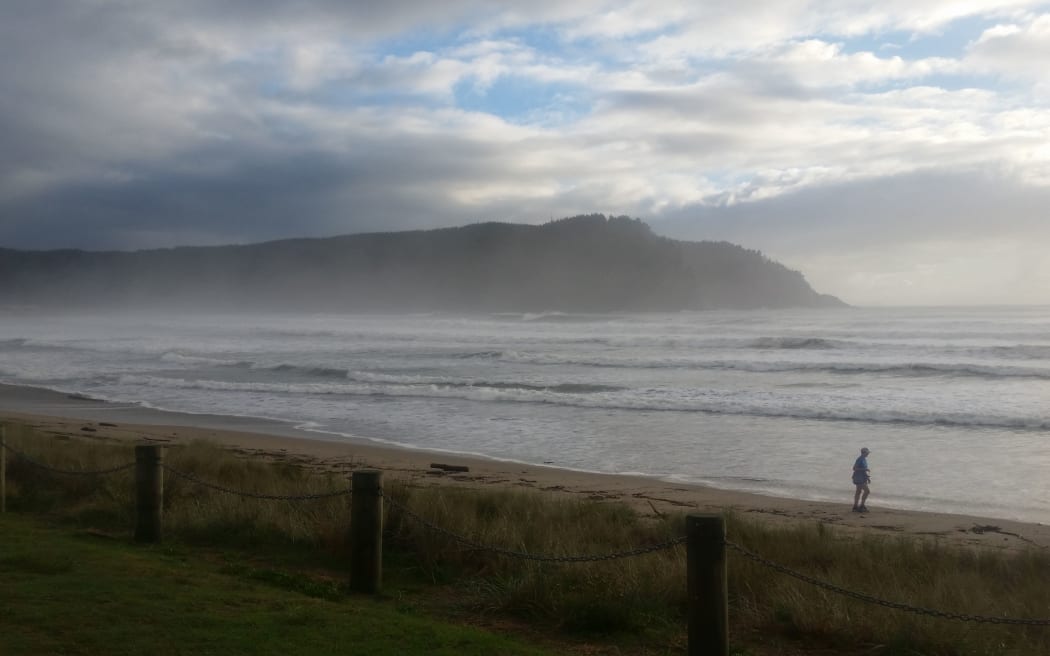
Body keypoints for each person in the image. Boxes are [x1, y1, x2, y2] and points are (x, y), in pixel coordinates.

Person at [852, 447, 871, 512]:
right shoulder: (859, 459)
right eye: (867, 453)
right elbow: (854, 468)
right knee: (867, 491)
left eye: (868, 453)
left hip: (862, 477)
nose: (868, 454)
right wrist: (865, 469)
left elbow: (863, 470)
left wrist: (867, 477)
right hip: (858, 478)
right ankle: (861, 505)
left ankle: (855, 506)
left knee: (858, 492)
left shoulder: (864, 459)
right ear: (864, 453)